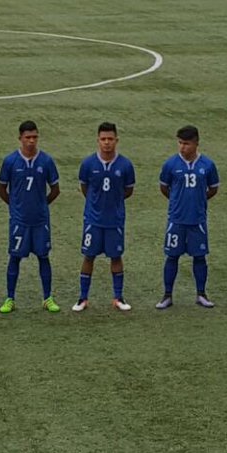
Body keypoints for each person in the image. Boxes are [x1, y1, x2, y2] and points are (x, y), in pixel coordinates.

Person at [0, 121, 61, 313]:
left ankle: (47, 298)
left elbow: (55, 189)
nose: (31, 141)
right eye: (27, 138)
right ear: (20, 138)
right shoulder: (10, 161)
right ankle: (10, 298)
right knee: (15, 257)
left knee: (43, 257)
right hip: (19, 221)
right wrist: (15, 207)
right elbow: (1, 189)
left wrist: (41, 205)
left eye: (34, 137)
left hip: (40, 221)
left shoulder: (46, 161)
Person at [75, 122, 136, 312]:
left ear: (116, 140)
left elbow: (128, 190)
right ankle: (83, 298)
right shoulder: (88, 164)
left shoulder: (125, 165)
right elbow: (85, 188)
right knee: (89, 256)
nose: (107, 143)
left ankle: (118, 297)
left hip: (115, 220)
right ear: (98, 141)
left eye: (110, 139)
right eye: (103, 139)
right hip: (93, 220)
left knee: (116, 256)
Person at [156, 125, 218, 309]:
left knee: (199, 257)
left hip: (197, 219)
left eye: (187, 143)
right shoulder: (170, 164)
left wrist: (199, 201)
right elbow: (164, 187)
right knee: (172, 257)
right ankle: (167, 295)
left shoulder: (207, 165)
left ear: (196, 143)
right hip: (176, 219)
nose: (183, 147)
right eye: (180, 143)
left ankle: (201, 294)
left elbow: (213, 189)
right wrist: (178, 201)